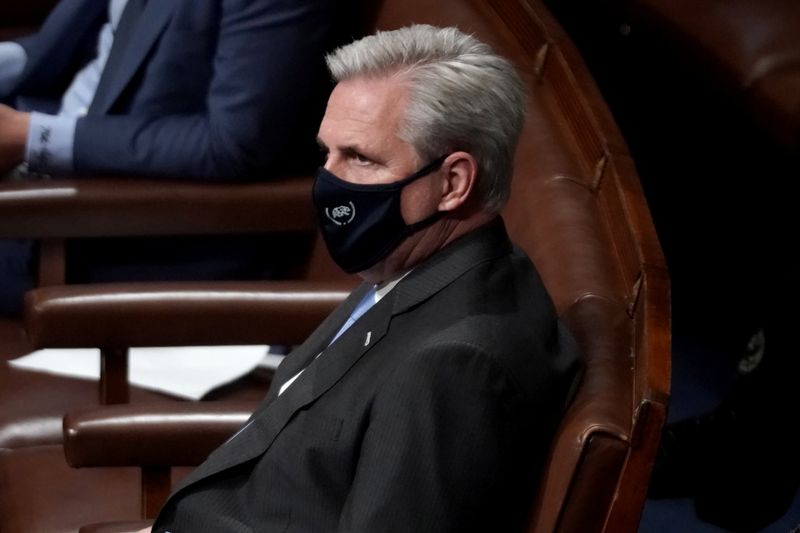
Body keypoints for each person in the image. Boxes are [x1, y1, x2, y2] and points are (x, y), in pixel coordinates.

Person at [138, 24, 583, 532]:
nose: (329, 181)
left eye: (359, 158)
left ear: (453, 182)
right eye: (326, 153)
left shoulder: (454, 365)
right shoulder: (420, 269)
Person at [0, 0, 345, 315]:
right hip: (47, 181)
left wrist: (29, 136)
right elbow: (96, 45)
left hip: (119, 240)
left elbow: (230, 144)